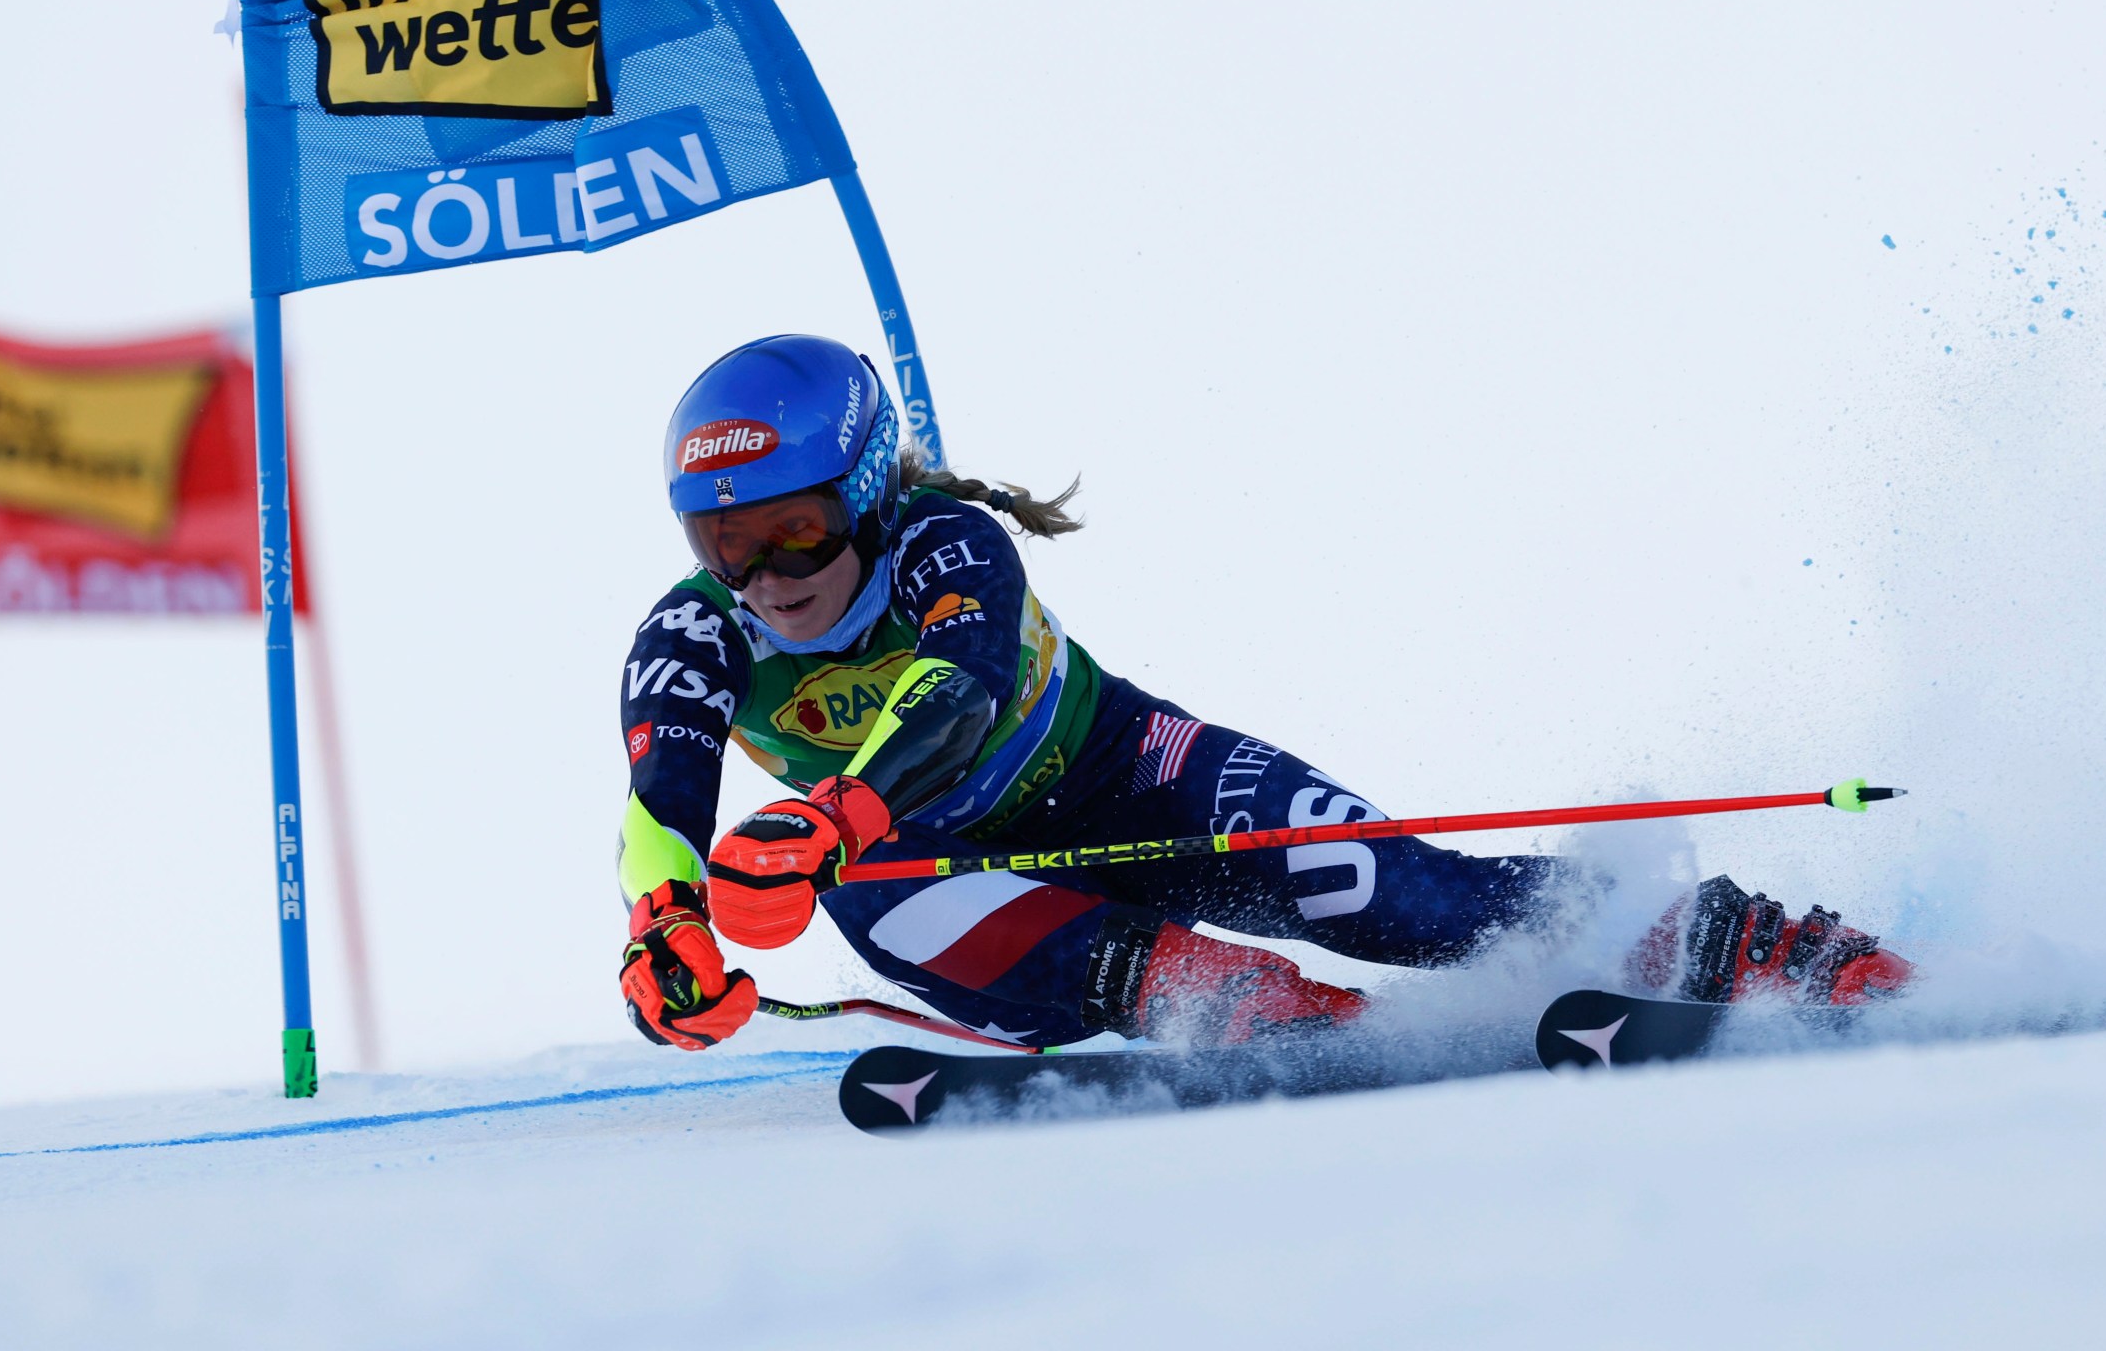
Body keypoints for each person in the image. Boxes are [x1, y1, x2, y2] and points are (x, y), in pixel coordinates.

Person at [615, 335, 1912, 1052]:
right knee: (867, 887)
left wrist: (832, 809)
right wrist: (663, 931)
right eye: (724, 542)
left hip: (1137, 773)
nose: (765, 573)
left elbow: (953, 693)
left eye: (791, 528)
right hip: (974, 886)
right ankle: (1234, 1004)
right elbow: (658, 804)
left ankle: (1738, 943)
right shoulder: (693, 634)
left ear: (860, 492)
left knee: (1396, 894)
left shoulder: (945, 542)